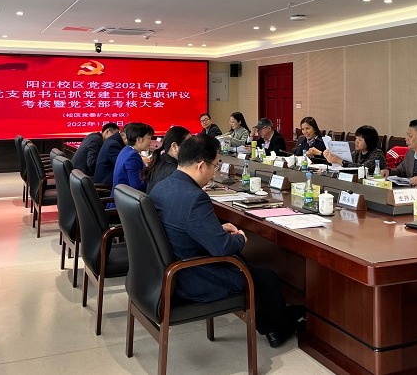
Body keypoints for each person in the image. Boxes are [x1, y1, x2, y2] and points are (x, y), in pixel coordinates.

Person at [149, 134, 299, 348]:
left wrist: (215, 229)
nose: (214, 172)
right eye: (215, 166)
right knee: (266, 278)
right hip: (192, 276)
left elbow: (180, 225)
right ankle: (279, 328)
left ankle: (277, 323)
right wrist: (240, 238)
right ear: (201, 166)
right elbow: (223, 248)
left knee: (258, 274)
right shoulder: (195, 197)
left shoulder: (163, 186)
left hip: (170, 270)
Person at [143, 125, 191, 194]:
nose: (192, 148)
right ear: (174, 146)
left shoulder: (159, 162)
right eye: (188, 144)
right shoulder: (174, 172)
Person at [112, 122, 154, 197]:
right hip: (125, 201)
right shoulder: (133, 156)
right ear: (139, 139)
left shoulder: (126, 149)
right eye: (149, 138)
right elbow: (136, 187)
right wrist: (154, 178)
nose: (150, 142)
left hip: (119, 197)